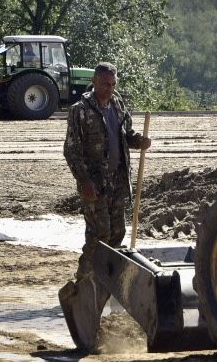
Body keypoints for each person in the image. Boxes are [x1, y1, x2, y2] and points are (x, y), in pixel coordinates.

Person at [63, 61, 152, 292]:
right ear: (94, 82)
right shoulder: (80, 110)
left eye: (113, 84)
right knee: (99, 235)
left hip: (118, 182)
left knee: (118, 232)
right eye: (105, 84)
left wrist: (139, 141)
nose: (109, 88)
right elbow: (71, 150)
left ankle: (105, 284)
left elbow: (126, 135)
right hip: (94, 183)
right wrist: (84, 181)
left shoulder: (118, 105)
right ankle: (83, 285)